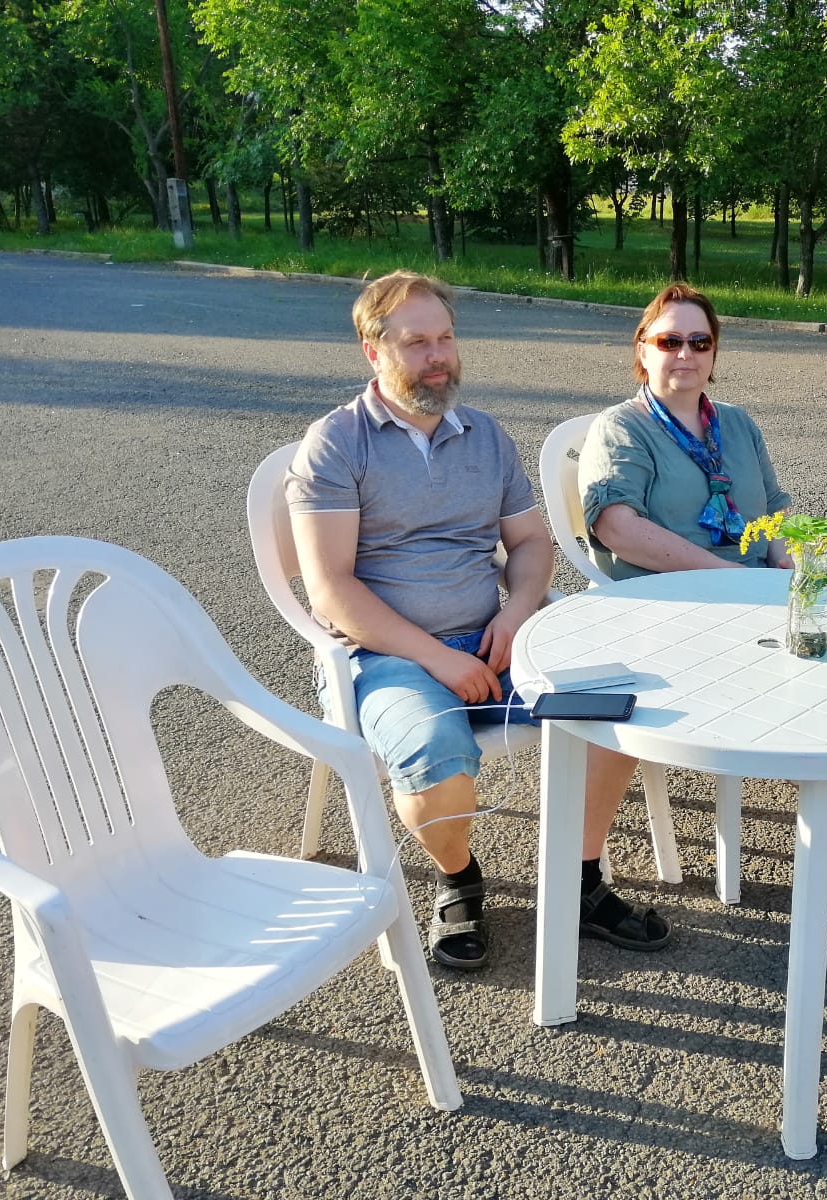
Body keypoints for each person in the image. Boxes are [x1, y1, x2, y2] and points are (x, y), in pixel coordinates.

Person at [286, 269, 669, 971]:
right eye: (416, 343)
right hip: (388, 657)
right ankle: (460, 876)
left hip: (496, 640)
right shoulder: (336, 443)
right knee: (437, 759)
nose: (438, 357)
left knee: (620, 708)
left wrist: (518, 614)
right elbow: (332, 590)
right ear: (374, 351)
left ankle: (580, 879)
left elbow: (530, 544)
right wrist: (439, 658)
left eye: (445, 338)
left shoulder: (485, 435)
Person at [577, 283, 827, 896]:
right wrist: (730, 580)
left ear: (714, 352)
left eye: (699, 342)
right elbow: (617, 527)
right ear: (642, 349)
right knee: (792, 688)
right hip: (666, 608)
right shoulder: (621, 427)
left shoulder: (736, 425)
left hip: (751, 600)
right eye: (669, 340)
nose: (685, 353)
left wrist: (799, 572)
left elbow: (773, 514)